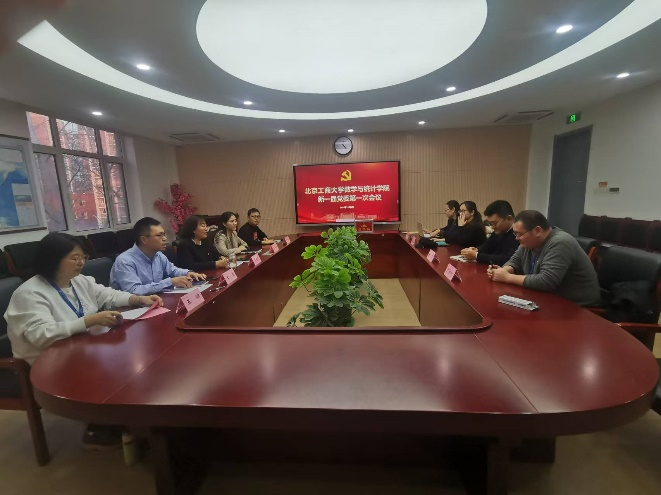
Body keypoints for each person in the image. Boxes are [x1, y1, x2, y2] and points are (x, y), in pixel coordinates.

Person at [5, 233, 163, 449]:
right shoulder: (30, 293)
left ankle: (132, 419)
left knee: (130, 356)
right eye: (74, 258)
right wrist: (88, 321)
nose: (81, 263)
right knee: (115, 367)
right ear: (52, 259)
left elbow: (107, 295)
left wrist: (138, 298)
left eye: (83, 257)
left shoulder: (79, 281)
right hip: (45, 360)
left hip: (80, 347)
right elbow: (41, 335)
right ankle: (99, 426)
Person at [488, 210, 600, 306]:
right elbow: (515, 261)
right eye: (515, 234)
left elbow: (546, 281)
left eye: (519, 234)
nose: (517, 238)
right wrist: (502, 271)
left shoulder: (560, 242)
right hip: (547, 298)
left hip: (576, 306)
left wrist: (507, 277)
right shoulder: (529, 242)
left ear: (537, 231)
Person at [110, 217, 206, 294]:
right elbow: (134, 291)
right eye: (159, 235)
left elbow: (173, 270)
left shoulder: (158, 255)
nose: (164, 238)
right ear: (144, 239)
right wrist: (170, 282)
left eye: (164, 234)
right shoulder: (125, 261)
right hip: (130, 309)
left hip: (154, 301)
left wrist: (188, 273)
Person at [461, 200, 519, 265]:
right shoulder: (498, 231)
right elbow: (487, 246)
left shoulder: (518, 235)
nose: (492, 227)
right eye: (490, 224)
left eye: (494, 223)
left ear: (509, 218)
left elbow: (507, 259)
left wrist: (477, 256)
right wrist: (476, 250)